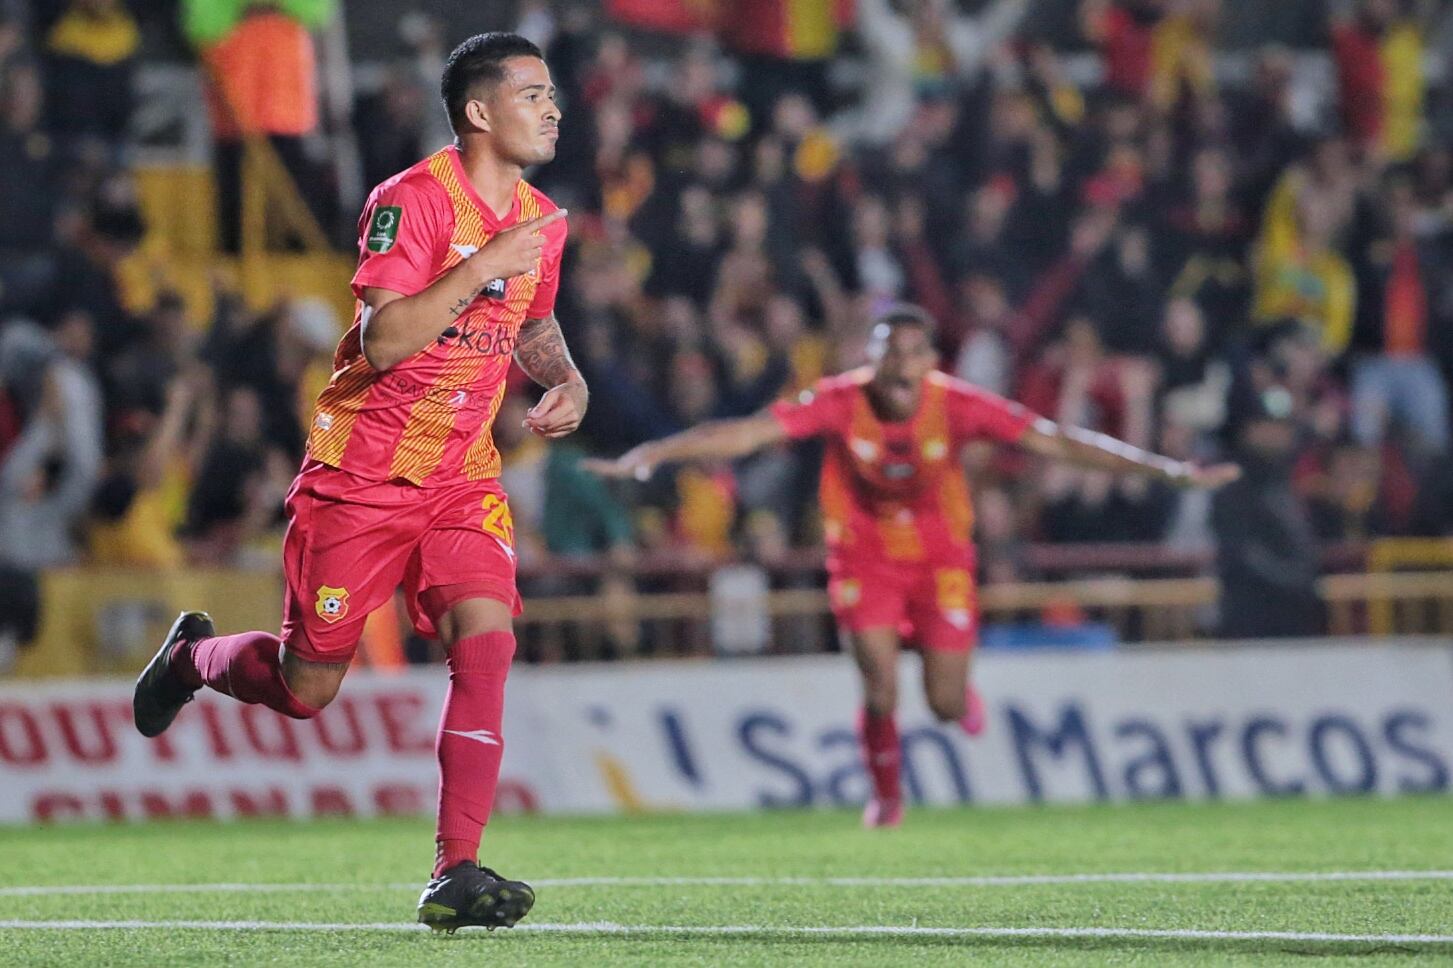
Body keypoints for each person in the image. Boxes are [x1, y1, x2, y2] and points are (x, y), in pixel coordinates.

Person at [131, 33, 584, 932]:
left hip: (461, 476)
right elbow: (383, 340)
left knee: (486, 642)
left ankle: (455, 870)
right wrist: (481, 267)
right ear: (479, 113)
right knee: (307, 688)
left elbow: (533, 322)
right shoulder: (410, 201)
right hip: (363, 474)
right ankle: (191, 659)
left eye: (552, 95)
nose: (553, 109)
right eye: (532, 94)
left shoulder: (544, 221)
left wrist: (564, 375)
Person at [587, 305, 1237, 827]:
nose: (899, 364)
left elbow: (1056, 441)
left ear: (930, 361)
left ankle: (957, 700)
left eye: (911, 353)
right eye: (886, 351)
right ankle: (887, 794)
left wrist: (1166, 470)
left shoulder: (955, 403)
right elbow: (750, 433)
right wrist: (658, 451)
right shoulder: (841, 399)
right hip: (862, 554)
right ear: (869, 358)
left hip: (940, 558)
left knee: (944, 702)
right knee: (877, 683)